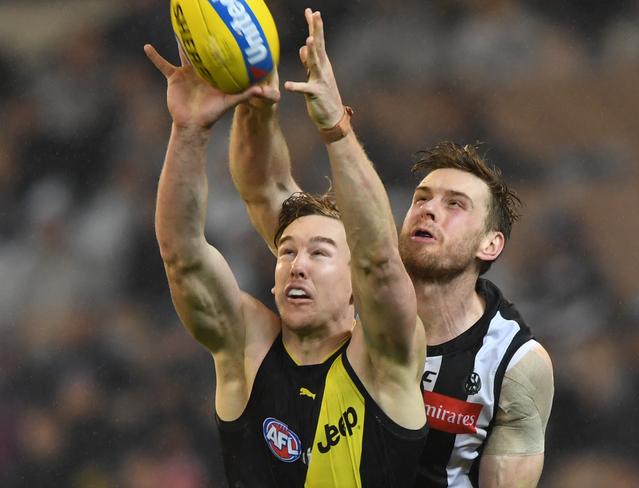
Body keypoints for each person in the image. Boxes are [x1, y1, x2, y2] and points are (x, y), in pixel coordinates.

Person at [229, 8, 554, 488]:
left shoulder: (514, 363)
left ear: (491, 244)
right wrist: (255, 97)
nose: (428, 209)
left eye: (455, 204)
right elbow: (266, 188)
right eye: (421, 198)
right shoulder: (350, 279)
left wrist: (337, 126)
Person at [143, 7, 427, 486]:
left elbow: (380, 260)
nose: (296, 265)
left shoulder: (383, 357)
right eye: (287, 252)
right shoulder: (248, 347)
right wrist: (189, 131)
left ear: (356, 284)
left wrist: (336, 128)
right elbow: (182, 256)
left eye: (319, 253)